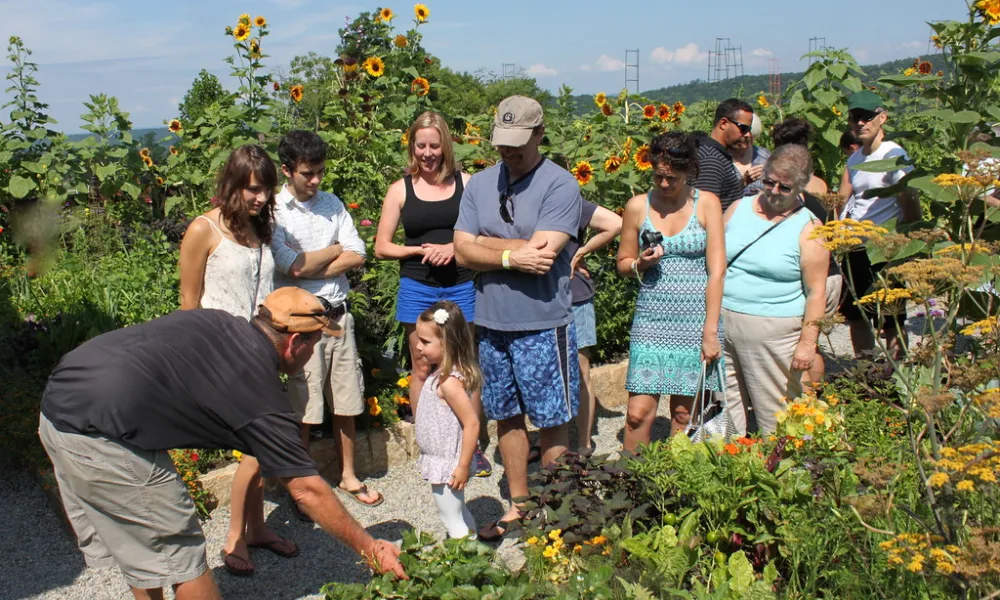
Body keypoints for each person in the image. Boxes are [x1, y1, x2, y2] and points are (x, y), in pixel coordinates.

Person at [38, 287, 406, 600]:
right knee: (180, 550)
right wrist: (370, 548)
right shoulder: (262, 397)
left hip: (59, 404)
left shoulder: (218, 321)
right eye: (315, 344)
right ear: (295, 343)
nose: (313, 355)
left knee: (142, 544)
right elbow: (307, 491)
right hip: (101, 435)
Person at [453, 95, 582, 541]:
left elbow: (542, 255)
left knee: (552, 419)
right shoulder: (480, 184)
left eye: (518, 143)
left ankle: (557, 508)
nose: (508, 151)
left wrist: (484, 245)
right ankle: (521, 505)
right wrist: (510, 254)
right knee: (506, 416)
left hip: (543, 322)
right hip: (492, 323)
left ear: (540, 134)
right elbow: (460, 250)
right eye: (502, 143)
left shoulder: (560, 185)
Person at [178, 145, 296, 576]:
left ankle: (257, 528)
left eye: (266, 190)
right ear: (232, 185)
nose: (261, 198)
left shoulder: (259, 227)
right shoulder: (203, 229)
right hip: (220, 354)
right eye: (252, 190)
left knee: (258, 447)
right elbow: (188, 303)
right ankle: (234, 537)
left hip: (262, 349)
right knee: (257, 445)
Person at [271, 130, 383, 511]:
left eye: (320, 171)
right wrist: (335, 249)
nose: (316, 180)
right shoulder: (276, 212)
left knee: (347, 400)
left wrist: (314, 262)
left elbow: (358, 253)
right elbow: (291, 266)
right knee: (304, 408)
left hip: (339, 315)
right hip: (302, 324)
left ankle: (348, 474)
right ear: (287, 170)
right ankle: (303, 487)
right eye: (308, 173)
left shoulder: (332, 203)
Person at [374, 111, 491, 477]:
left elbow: (483, 236)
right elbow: (381, 246)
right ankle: (428, 442)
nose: (427, 154)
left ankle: (471, 446)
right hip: (417, 286)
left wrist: (454, 249)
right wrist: (418, 250)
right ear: (412, 147)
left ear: (446, 147)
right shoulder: (400, 189)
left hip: (460, 284)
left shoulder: (466, 184)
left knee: (464, 366)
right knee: (422, 365)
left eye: (434, 146)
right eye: (420, 146)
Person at [617, 132, 726, 449]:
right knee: (636, 414)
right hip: (651, 320)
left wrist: (710, 330)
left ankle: (677, 476)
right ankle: (631, 476)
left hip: (696, 321)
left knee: (684, 414)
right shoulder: (637, 206)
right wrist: (640, 263)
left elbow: (717, 271)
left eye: (672, 178)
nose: (664, 184)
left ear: (689, 171)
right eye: (658, 176)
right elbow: (622, 263)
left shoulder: (707, 203)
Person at [722, 145, 830, 435]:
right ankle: (729, 459)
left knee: (777, 412)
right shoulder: (738, 208)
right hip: (725, 324)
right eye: (769, 181)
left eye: (785, 187)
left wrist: (807, 343)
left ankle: (783, 462)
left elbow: (817, 292)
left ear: (801, 187)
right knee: (726, 409)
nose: (774, 191)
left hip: (775, 332)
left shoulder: (809, 229)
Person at [838, 90, 919, 359]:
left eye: (866, 117)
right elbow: (845, 200)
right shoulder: (855, 159)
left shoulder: (893, 153)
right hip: (855, 248)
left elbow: (909, 198)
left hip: (884, 250)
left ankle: (897, 372)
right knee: (856, 314)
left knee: (891, 318)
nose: (860, 123)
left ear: (882, 117)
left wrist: (909, 245)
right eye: (855, 117)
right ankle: (867, 371)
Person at [772, 118, 842, 382]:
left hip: (810, 276)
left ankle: (806, 399)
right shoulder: (821, 184)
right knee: (813, 341)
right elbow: (834, 229)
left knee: (801, 343)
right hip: (831, 272)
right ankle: (817, 398)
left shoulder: (790, 189)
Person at [413, 301, 482, 539]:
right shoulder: (442, 375)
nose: (418, 346)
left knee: (450, 517)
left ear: (447, 343)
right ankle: (475, 548)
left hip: (448, 465)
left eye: (425, 341)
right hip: (443, 461)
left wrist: (462, 466)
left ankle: (466, 556)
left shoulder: (449, 383)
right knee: (458, 511)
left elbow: (472, 423)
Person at [570, 200, 622, 450]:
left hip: (574, 295)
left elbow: (615, 223)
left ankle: (584, 444)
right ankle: (553, 441)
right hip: (537, 298)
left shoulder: (568, 199)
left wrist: (579, 253)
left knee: (581, 372)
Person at [694, 98, 755, 211]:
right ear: (723, 124)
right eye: (743, 128)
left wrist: (741, 183)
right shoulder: (711, 160)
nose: (748, 135)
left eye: (749, 129)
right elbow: (704, 211)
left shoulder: (718, 155)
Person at [734, 113, 771, 196]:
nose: (745, 141)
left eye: (750, 139)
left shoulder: (764, 155)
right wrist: (743, 182)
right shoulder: (720, 157)